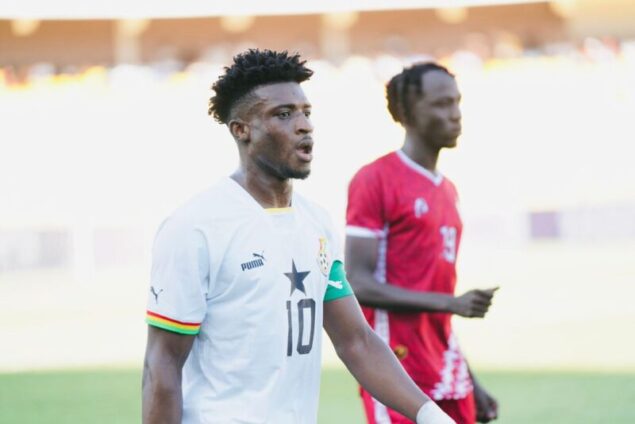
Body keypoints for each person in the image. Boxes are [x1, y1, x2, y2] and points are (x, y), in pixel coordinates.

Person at [142, 49, 455, 424]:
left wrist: (431, 415)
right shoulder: (195, 227)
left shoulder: (316, 223)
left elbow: (356, 341)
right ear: (241, 129)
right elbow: (162, 364)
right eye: (283, 114)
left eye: (306, 112)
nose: (304, 125)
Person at [345, 63, 499, 424]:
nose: (455, 114)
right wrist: (452, 303)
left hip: (446, 367)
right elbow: (357, 283)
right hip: (395, 369)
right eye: (441, 104)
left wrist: (471, 379)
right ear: (408, 112)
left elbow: (437, 299)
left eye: (457, 102)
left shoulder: (448, 190)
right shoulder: (375, 179)